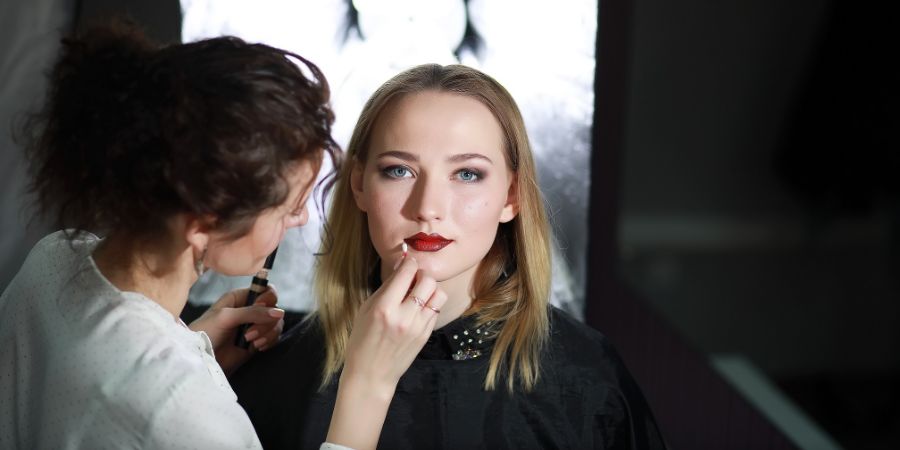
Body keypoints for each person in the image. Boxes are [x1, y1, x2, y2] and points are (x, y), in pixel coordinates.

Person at [0, 22, 446, 450]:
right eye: (288, 207)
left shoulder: (55, 257)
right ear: (203, 222)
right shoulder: (187, 411)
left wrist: (189, 345)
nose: (299, 219)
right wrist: (368, 383)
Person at [231, 64, 668, 449]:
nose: (427, 207)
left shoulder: (587, 378)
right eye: (398, 170)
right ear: (360, 185)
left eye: (467, 174)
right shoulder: (277, 373)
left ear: (511, 196)